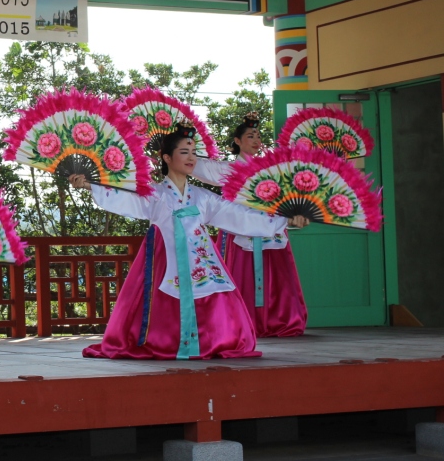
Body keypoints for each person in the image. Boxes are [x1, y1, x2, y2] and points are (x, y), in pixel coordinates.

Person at [70, 124, 307, 360]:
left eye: (193, 153)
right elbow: (125, 198)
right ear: (166, 157)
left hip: (201, 256)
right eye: (184, 152)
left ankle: (211, 342)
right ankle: (169, 342)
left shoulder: (202, 197)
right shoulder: (156, 194)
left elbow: (238, 215)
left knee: (214, 291)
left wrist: (285, 220)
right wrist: (90, 185)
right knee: (165, 300)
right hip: (166, 255)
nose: (191, 158)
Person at [193, 112, 308, 337]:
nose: (256, 140)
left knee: (278, 277)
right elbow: (198, 166)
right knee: (241, 275)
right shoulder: (227, 169)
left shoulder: (272, 170)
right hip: (240, 230)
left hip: (270, 228)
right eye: (250, 136)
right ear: (237, 141)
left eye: (258, 136)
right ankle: (242, 322)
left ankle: (280, 320)